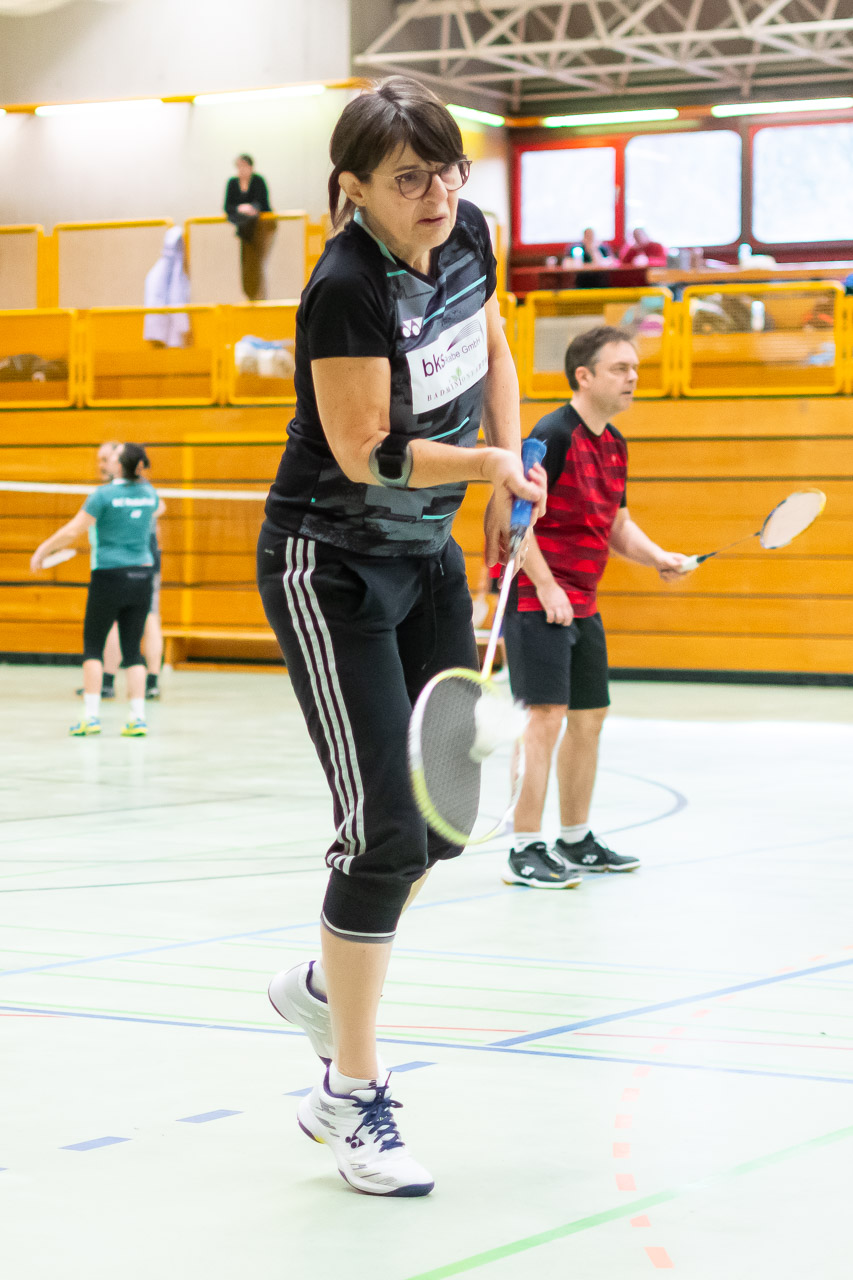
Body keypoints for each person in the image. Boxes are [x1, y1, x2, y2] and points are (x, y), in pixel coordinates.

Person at [257, 76, 545, 1198]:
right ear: (356, 188)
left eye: (447, 170)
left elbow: (493, 346)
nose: (437, 195)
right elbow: (365, 450)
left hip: (427, 556)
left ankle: (327, 985)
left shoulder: (467, 234)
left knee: (440, 822)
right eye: (408, 178)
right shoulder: (344, 287)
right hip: (330, 566)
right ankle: (349, 1093)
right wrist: (480, 462)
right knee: (382, 832)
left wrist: (506, 473)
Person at [502, 326, 692, 889]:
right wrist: (547, 586)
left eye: (634, 368)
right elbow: (516, 520)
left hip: (582, 601)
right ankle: (524, 848)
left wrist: (658, 557)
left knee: (589, 718)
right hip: (538, 598)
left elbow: (616, 525)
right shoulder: (552, 435)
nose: (633, 377)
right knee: (544, 718)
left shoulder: (614, 444)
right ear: (583, 376)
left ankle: (575, 837)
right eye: (619, 368)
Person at [31, 444, 160, 738]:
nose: (107, 461)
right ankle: (138, 718)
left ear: (120, 465)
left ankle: (90, 717)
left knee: (93, 647)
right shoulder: (150, 493)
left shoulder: (103, 495)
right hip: (142, 575)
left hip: (109, 576)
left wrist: (43, 550)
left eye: (113, 457)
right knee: (133, 650)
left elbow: (73, 530)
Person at [79, 442, 165, 701]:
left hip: (138, 560)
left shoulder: (123, 491)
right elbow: (158, 507)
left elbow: (159, 508)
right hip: (139, 562)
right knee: (131, 623)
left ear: (119, 462)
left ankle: (140, 681)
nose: (101, 464)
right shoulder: (140, 490)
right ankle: (117, 682)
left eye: (106, 458)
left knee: (146, 619)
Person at [224, 154, 274, 301]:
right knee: (247, 264)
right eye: (239, 166)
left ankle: (258, 296)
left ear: (251, 167)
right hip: (244, 229)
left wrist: (251, 208)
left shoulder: (258, 181)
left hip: (260, 228)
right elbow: (228, 207)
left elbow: (263, 204)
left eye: (244, 166)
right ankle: (251, 296)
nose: (242, 169)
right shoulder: (232, 183)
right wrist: (241, 209)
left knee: (257, 263)